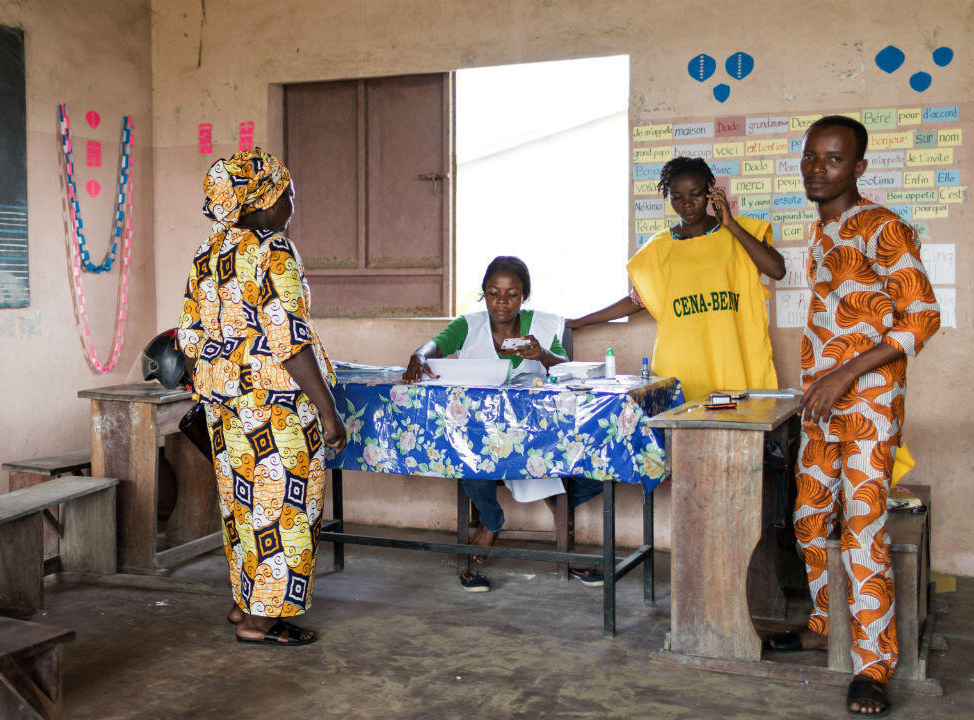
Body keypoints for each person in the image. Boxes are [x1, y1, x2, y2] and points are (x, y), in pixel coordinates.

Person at [765, 116, 939, 717]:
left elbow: (920, 319)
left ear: (859, 168)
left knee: (861, 533)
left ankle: (874, 666)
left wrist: (843, 374)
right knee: (810, 518)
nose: (817, 168)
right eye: (811, 156)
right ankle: (821, 623)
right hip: (821, 405)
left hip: (866, 406)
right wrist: (820, 382)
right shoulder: (822, 232)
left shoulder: (884, 228)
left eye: (833, 159)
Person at [177, 148, 347, 646]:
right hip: (276, 408)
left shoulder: (209, 251)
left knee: (242, 507)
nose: (292, 200)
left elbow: (188, 337)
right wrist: (327, 411)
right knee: (283, 511)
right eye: (286, 192)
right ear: (262, 199)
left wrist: (226, 378)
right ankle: (262, 621)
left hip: (226, 407)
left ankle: (244, 600)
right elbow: (288, 340)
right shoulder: (273, 251)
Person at [402, 256, 601, 590]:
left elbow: (567, 368)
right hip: (482, 432)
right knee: (463, 454)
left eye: (511, 293)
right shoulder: (469, 325)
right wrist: (419, 356)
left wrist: (543, 356)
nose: (502, 301)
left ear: (523, 296)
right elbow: (434, 345)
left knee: (598, 463)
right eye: (494, 292)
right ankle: (492, 520)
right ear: (484, 293)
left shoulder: (541, 325)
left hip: (537, 434)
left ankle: (557, 498)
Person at [566, 157, 786, 402]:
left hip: (733, 355)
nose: (687, 204)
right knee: (685, 429)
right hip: (684, 363)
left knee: (741, 424)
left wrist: (730, 224)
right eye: (677, 197)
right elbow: (637, 300)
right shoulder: (658, 249)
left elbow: (776, 269)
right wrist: (581, 322)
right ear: (668, 198)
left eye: (696, 194)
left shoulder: (739, 232)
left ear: (711, 194)